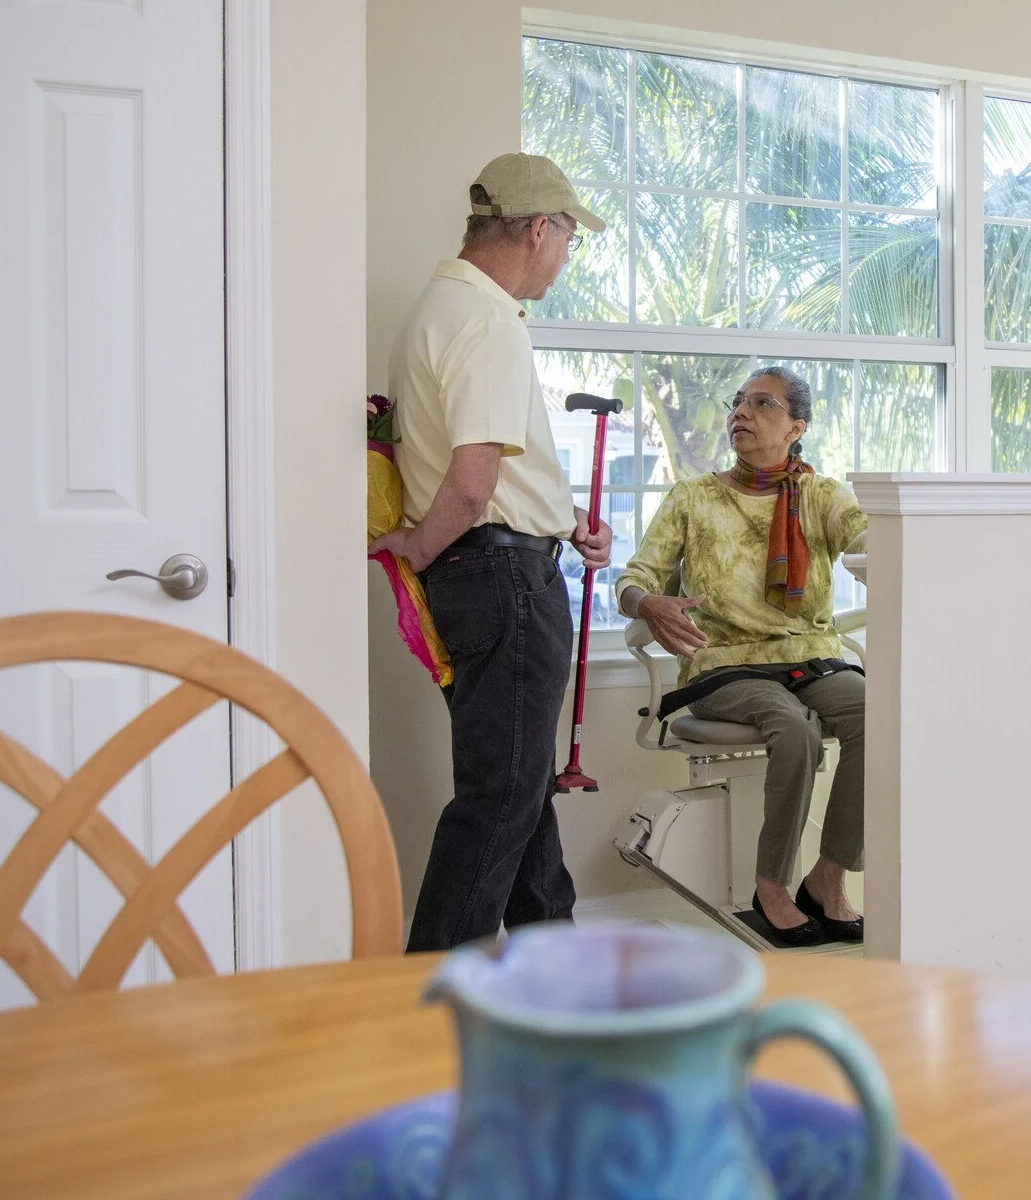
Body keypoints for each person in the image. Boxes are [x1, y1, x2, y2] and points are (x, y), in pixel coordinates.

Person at [372, 153, 613, 952]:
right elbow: (471, 487)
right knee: (501, 796)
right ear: (539, 229)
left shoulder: (443, 307)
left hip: (493, 567)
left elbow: (482, 475)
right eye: (569, 239)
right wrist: (418, 542)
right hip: (504, 578)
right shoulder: (487, 320)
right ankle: (425, 999)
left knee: (520, 790)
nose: (566, 257)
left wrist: (558, 514)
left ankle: (559, 963)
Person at [615, 367, 868, 946]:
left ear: (796, 426)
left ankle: (828, 877)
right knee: (793, 727)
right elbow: (634, 578)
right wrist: (648, 601)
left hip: (811, 657)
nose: (742, 413)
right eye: (738, 402)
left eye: (762, 403)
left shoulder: (823, 496)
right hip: (722, 662)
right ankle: (771, 885)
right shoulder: (693, 497)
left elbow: (871, 539)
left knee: (878, 716)